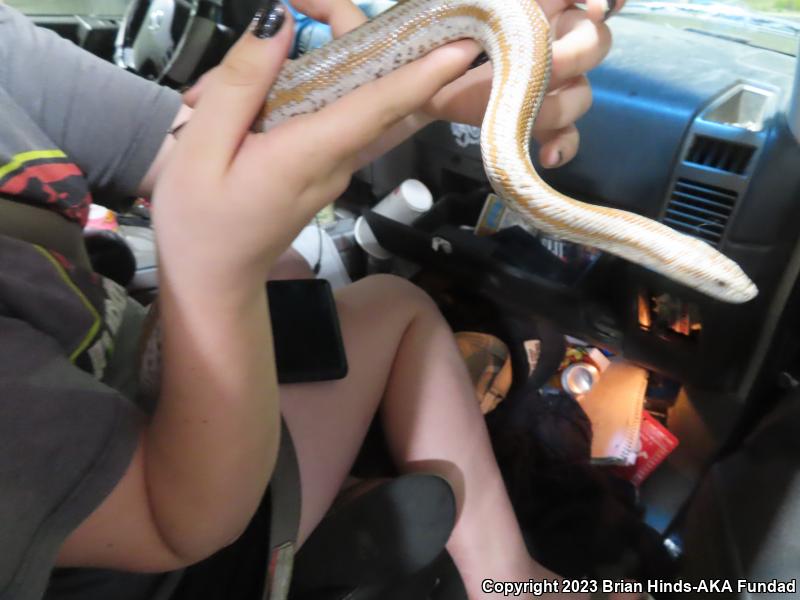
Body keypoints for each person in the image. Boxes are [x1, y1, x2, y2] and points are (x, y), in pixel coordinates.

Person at [0, 0, 634, 598]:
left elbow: (204, 154)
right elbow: (172, 521)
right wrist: (216, 278)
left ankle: (491, 569)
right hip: (147, 546)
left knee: (351, 287)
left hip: (109, 374)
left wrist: (434, 71)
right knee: (391, 309)